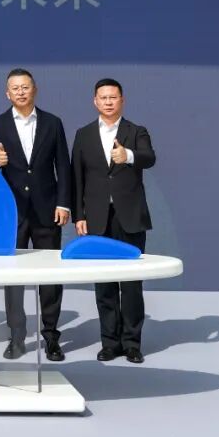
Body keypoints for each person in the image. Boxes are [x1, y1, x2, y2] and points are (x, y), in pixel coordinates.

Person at [0, 68, 71, 362]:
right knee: (13, 278)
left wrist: (64, 203)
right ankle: (17, 337)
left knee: (51, 276)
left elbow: (63, 166)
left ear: (35, 89)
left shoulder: (52, 123)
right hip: (12, 214)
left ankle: (52, 337)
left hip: (48, 211)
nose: (20, 92)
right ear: (7, 94)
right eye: (15, 88)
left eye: (25, 87)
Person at [72, 78, 157, 364]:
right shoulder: (83, 134)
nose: (108, 102)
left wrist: (127, 155)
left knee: (131, 285)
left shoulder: (136, 131)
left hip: (130, 217)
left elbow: (149, 158)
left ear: (122, 100)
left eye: (113, 97)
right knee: (104, 285)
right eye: (103, 97)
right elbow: (77, 177)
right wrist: (79, 215)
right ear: (95, 101)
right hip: (97, 219)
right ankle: (109, 342)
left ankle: (132, 343)